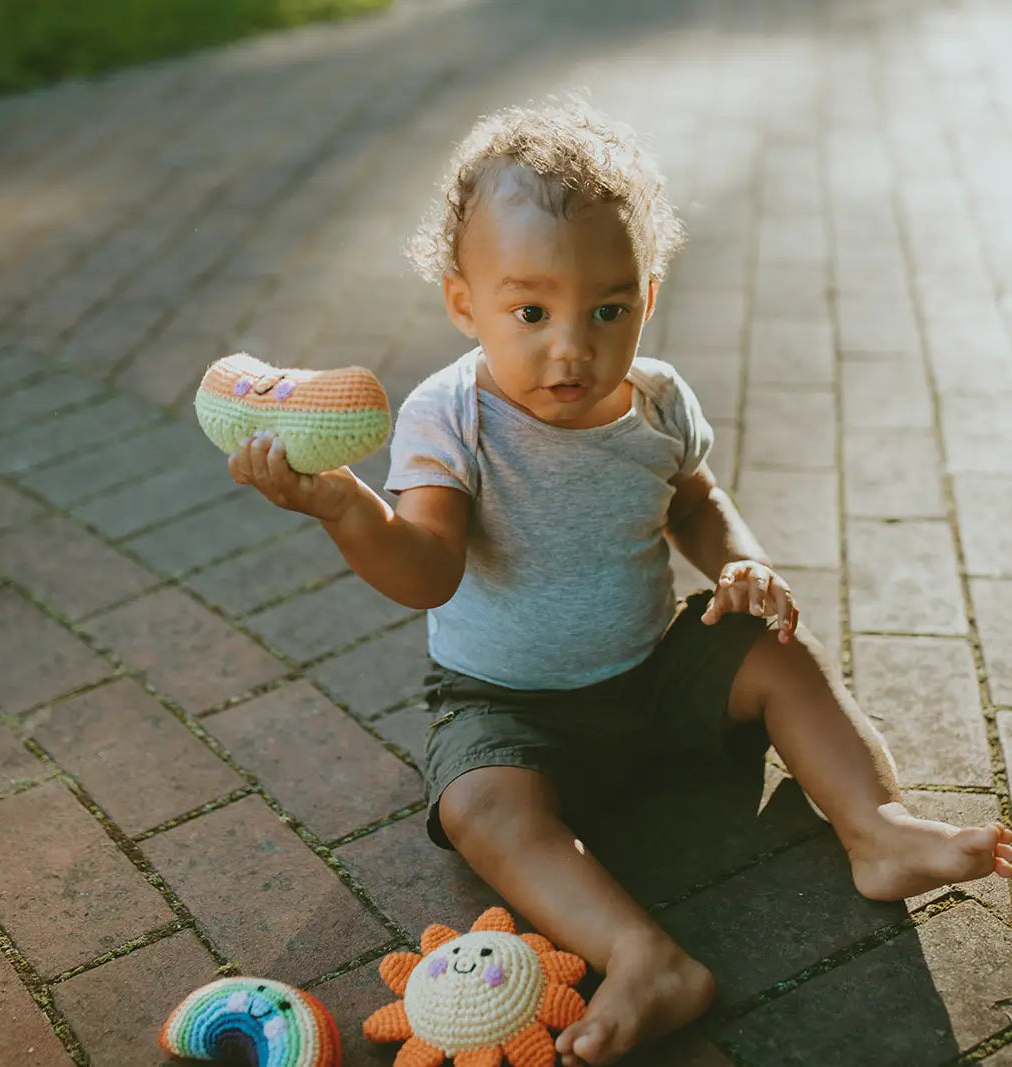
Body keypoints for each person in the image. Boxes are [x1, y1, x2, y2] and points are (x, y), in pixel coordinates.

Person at [228, 98, 1012, 1066]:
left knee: (773, 650)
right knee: (478, 805)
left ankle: (875, 827)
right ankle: (642, 955)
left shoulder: (655, 398)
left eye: (605, 308)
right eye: (529, 311)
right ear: (462, 302)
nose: (571, 345)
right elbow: (426, 571)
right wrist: (348, 509)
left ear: (645, 295)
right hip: (509, 703)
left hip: (651, 668)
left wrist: (738, 559)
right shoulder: (450, 417)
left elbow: (692, 499)